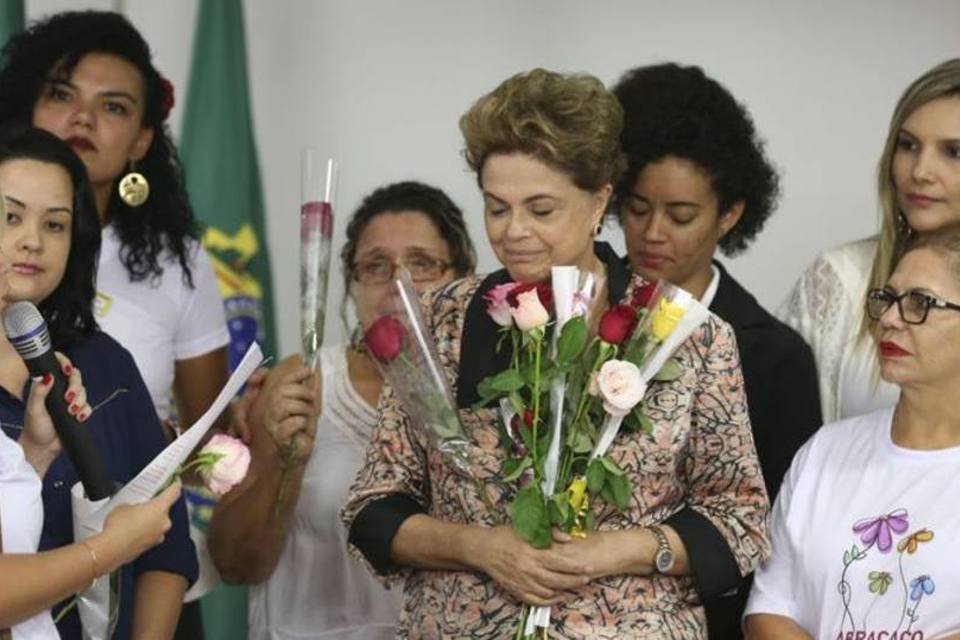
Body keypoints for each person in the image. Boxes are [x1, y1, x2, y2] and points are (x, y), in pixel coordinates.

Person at [340, 68, 769, 638]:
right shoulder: (439, 320)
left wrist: (614, 551)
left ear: (599, 202)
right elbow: (371, 509)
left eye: (541, 210)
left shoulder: (691, 335)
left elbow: (739, 518)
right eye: (497, 208)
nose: (514, 231)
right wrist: (483, 548)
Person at [207, 181, 477, 639]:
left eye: (422, 263)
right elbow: (235, 563)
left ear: (464, 278)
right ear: (351, 286)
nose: (398, 284)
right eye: (376, 266)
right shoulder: (301, 384)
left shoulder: (493, 396)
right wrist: (285, 464)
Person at [611, 62, 822, 638]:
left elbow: (775, 540)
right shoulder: (574, 314)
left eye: (681, 215)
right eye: (636, 207)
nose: (653, 232)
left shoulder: (774, 357)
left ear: (730, 214)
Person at [0, 124, 197, 639]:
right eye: (10, 216)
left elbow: (168, 544)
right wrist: (109, 549)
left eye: (56, 225)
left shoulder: (101, 363)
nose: (32, 241)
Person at [745, 231, 960, 639]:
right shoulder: (826, 451)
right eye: (888, 298)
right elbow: (769, 609)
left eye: (921, 303)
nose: (891, 319)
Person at [781, 58, 960, 423]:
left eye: (954, 152)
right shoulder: (840, 278)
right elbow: (778, 434)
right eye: (908, 145)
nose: (920, 172)